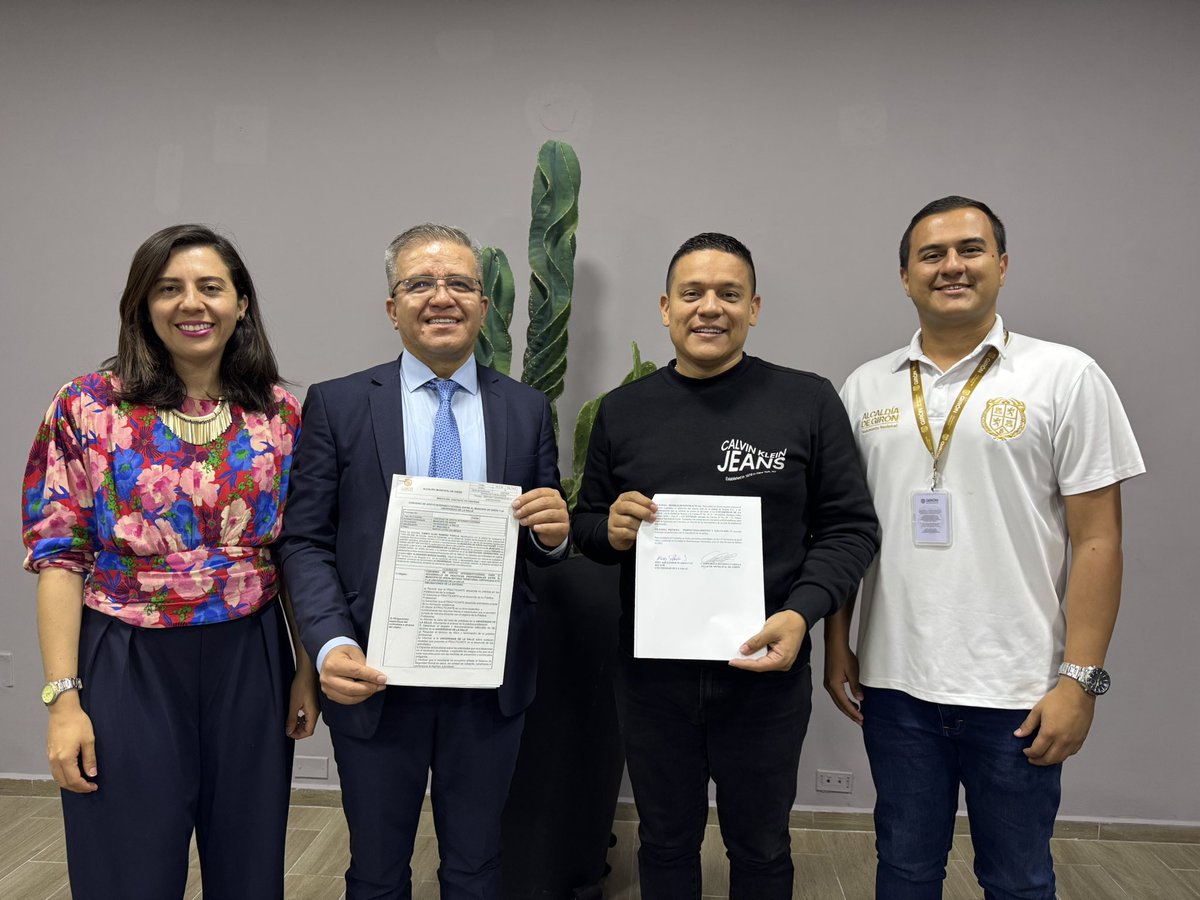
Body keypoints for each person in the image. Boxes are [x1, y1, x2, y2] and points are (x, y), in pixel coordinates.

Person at [827, 196, 1145, 898]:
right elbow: (847, 531)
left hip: (1018, 688)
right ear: (905, 276)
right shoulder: (863, 388)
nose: (951, 266)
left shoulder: (1066, 377)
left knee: (1018, 878)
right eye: (931, 255)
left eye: (969, 250)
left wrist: (1080, 681)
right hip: (895, 684)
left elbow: (1099, 540)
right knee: (905, 871)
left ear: (1001, 265)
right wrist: (838, 642)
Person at [571, 233, 879, 899]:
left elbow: (851, 528)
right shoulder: (622, 412)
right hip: (652, 679)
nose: (709, 307)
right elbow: (587, 525)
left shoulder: (807, 401)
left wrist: (802, 615)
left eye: (728, 294)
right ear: (664, 308)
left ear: (754, 307)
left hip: (765, 676)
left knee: (762, 846)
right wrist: (613, 529)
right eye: (692, 293)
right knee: (666, 841)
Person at [21, 224, 319, 899]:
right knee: (127, 869)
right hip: (127, 659)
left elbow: (297, 548)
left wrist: (306, 666)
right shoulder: (87, 409)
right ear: (142, 305)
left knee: (249, 867)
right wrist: (63, 700)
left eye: (211, 288)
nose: (193, 304)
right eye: (169, 289)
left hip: (251, 657)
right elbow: (59, 557)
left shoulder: (279, 414)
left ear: (241, 302)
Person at [277, 223, 569, 899]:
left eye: (460, 283)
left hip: (487, 683)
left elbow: (540, 546)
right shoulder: (340, 403)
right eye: (420, 283)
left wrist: (550, 535)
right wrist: (327, 645)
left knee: (476, 867)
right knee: (376, 872)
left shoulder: (525, 410)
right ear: (392, 306)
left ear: (483, 305)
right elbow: (305, 539)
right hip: (375, 676)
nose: (442, 297)